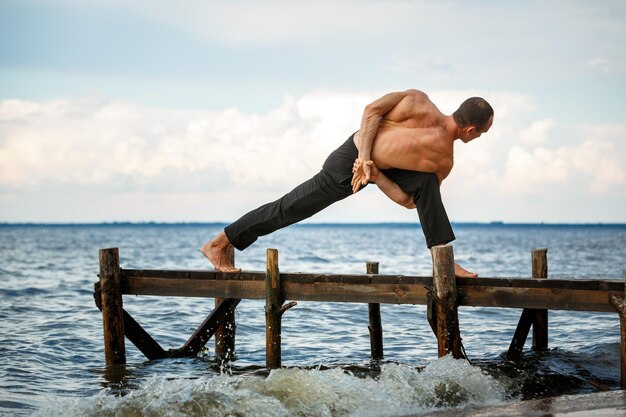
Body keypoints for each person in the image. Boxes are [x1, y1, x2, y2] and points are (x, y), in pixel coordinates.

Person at [201, 89, 494, 277]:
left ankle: (443, 260)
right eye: (481, 133)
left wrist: (376, 175)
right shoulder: (418, 105)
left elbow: (410, 201)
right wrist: (364, 160)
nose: (478, 137)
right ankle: (219, 242)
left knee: (426, 185)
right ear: (470, 129)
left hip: (378, 169)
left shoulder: (438, 157)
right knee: (289, 208)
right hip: (349, 160)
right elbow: (371, 112)